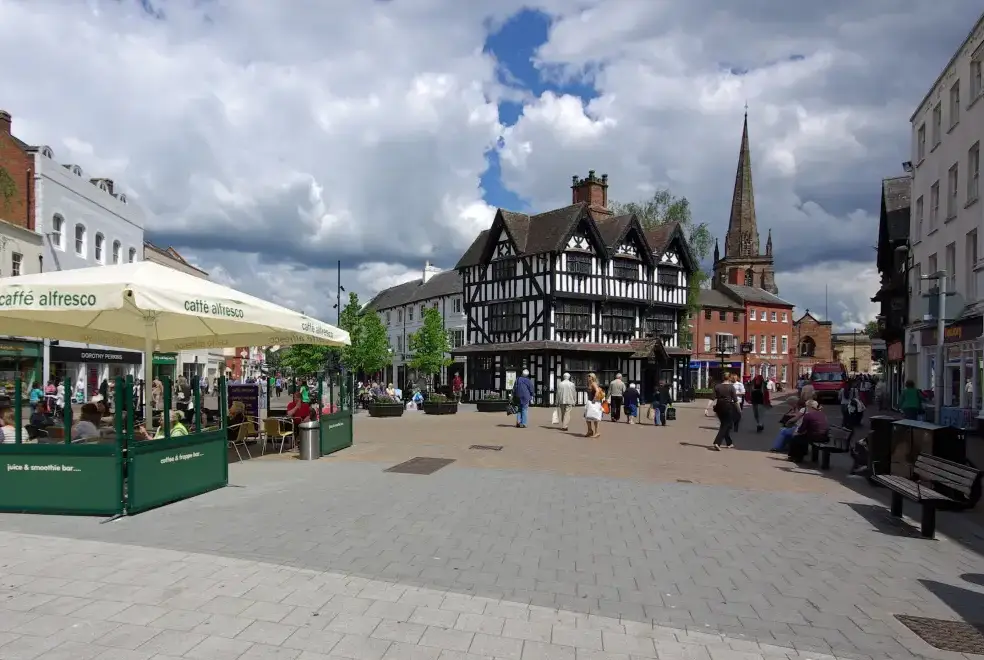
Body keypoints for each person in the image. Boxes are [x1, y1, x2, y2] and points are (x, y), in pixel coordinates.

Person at [712, 373, 737, 450]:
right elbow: (735, 400)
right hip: (727, 407)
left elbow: (712, 398)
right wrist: (739, 410)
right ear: (729, 378)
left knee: (725, 424)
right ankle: (717, 442)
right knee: (726, 425)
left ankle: (729, 443)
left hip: (719, 407)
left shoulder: (717, 386)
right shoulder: (731, 387)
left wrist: (706, 408)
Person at [584, 373, 603, 438]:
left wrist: (594, 399)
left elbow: (597, 391)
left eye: (589, 376)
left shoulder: (593, 383)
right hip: (589, 402)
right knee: (587, 417)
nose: (588, 377)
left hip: (594, 403)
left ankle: (596, 432)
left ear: (593, 377)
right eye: (588, 376)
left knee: (595, 417)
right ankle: (590, 431)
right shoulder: (589, 384)